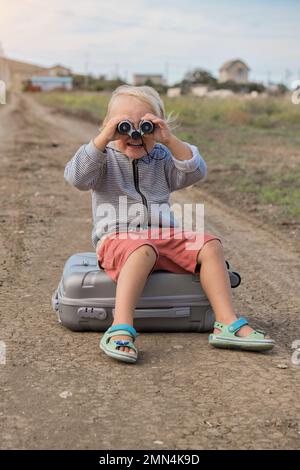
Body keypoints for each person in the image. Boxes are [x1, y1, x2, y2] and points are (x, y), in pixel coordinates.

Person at [64, 85, 274, 363]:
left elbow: (195, 171)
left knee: (209, 244)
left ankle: (226, 322)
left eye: (146, 126)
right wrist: (103, 139)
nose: (135, 134)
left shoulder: (160, 157)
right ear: (110, 126)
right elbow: (76, 178)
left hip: (165, 237)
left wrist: (169, 141)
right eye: (124, 126)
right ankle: (121, 327)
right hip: (118, 239)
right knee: (142, 248)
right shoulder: (102, 159)